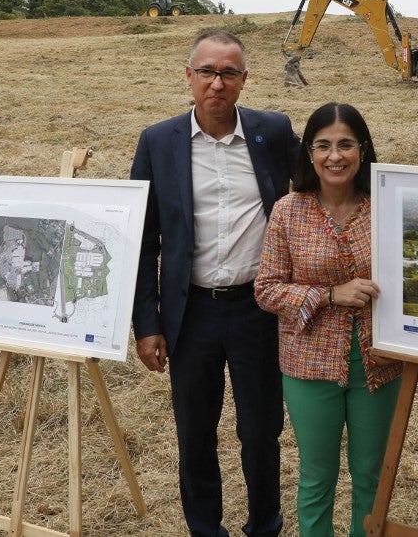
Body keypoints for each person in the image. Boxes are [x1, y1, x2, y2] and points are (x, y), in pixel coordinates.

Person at [130, 29, 300, 537]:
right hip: (192, 313)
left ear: (245, 80)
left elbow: (332, 174)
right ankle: (205, 530)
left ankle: (263, 526)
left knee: (262, 431)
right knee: (196, 434)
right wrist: (147, 322)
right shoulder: (158, 142)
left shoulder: (273, 132)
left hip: (258, 309)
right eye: (207, 71)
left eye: (228, 73)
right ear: (188, 76)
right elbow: (143, 239)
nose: (217, 83)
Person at [255, 102, 402, 537]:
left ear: (363, 149)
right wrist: (328, 295)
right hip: (309, 364)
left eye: (345, 145)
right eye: (323, 145)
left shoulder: (388, 206)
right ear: (309, 152)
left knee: (371, 477)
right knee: (317, 476)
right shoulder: (289, 210)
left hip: (378, 361)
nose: (334, 156)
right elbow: (266, 289)